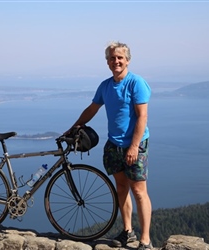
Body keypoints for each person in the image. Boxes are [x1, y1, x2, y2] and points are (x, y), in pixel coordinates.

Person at [67, 41, 153, 250]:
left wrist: (133, 147)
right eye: (112, 58)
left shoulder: (136, 83)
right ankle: (127, 232)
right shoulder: (105, 86)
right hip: (113, 145)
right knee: (121, 188)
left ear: (127, 60)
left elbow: (142, 116)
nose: (116, 61)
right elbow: (92, 108)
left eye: (120, 58)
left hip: (135, 145)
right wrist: (75, 126)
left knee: (139, 191)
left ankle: (146, 240)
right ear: (107, 62)